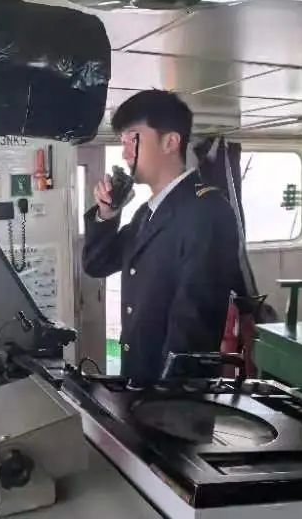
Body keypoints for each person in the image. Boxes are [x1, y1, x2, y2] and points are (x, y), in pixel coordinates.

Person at [82, 90, 241, 383]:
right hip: (141, 379)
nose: (125, 153)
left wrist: (164, 399)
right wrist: (107, 215)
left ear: (170, 142)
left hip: (170, 393)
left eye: (133, 140)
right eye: (123, 143)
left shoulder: (207, 212)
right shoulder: (147, 212)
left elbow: (193, 326)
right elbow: (97, 264)